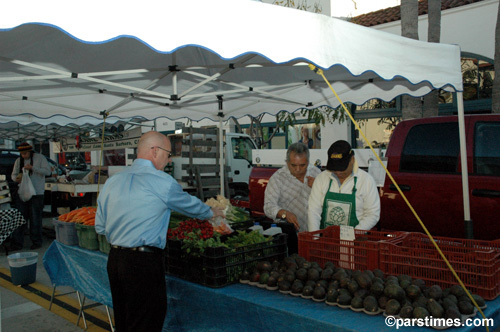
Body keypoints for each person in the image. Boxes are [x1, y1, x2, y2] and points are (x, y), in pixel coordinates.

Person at [95, 131, 224, 332]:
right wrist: (210, 212)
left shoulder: (112, 181)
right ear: (155, 151)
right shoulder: (161, 181)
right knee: (147, 321)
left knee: (124, 320)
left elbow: (100, 226)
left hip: (115, 259)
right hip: (142, 263)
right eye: (168, 153)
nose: (169, 159)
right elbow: (188, 205)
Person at [308, 140, 380, 231]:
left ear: (352, 159)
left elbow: (372, 214)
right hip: (326, 240)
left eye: (342, 168)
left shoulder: (366, 181)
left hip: (355, 241)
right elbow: (314, 211)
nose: (338, 172)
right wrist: (315, 238)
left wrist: (353, 235)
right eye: (335, 168)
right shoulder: (321, 179)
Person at [263, 143, 321, 252]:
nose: (298, 169)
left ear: (308, 162)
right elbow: (268, 206)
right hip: (292, 236)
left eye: (302, 165)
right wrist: (285, 213)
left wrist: (318, 187)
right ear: (287, 162)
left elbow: (328, 200)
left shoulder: (316, 173)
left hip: (316, 233)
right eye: (293, 165)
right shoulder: (277, 178)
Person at [10, 142, 51, 251]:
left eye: (25, 153)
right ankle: (17, 243)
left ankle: (36, 242)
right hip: (22, 193)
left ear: (30, 151)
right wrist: (16, 179)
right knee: (20, 218)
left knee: (35, 218)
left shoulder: (40, 158)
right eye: (22, 154)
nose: (24, 155)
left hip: (37, 193)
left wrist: (33, 168)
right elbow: (13, 175)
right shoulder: (19, 161)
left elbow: (47, 172)